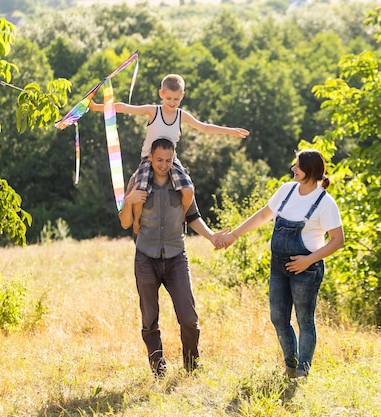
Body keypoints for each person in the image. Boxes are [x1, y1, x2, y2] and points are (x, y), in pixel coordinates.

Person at [217, 149, 344, 378]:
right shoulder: (286, 191)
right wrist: (234, 235)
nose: (293, 169)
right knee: (278, 317)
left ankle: (303, 370)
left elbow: (338, 241)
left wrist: (308, 260)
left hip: (307, 269)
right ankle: (290, 363)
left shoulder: (325, 203)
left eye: (297, 166)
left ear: (311, 171)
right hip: (278, 267)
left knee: (305, 319)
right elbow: (263, 215)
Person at [119, 137, 226, 378]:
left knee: (188, 317)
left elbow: (193, 216)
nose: (164, 165)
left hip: (176, 256)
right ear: (150, 158)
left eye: (168, 160)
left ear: (173, 159)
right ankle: (159, 370)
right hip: (146, 257)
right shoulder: (137, 181)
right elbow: (126, 222)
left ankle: (191, 365)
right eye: (159, 160)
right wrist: (128, 201)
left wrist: (211, 237)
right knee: (149, 317)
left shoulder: (183, 184)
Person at [91, 73, 249, 234]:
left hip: (171, 160)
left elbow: (205, 127)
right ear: (161, 94)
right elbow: (124, 107)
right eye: (169, 99)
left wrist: (230, 131)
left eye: (176, 99)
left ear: (182, 96)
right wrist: (97, 107)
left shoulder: (181, 115)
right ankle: (137, 222)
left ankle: (182, 218)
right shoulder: (154, 111)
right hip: (149, 158)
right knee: (141, 190)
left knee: (188, 190)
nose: (172, 103)